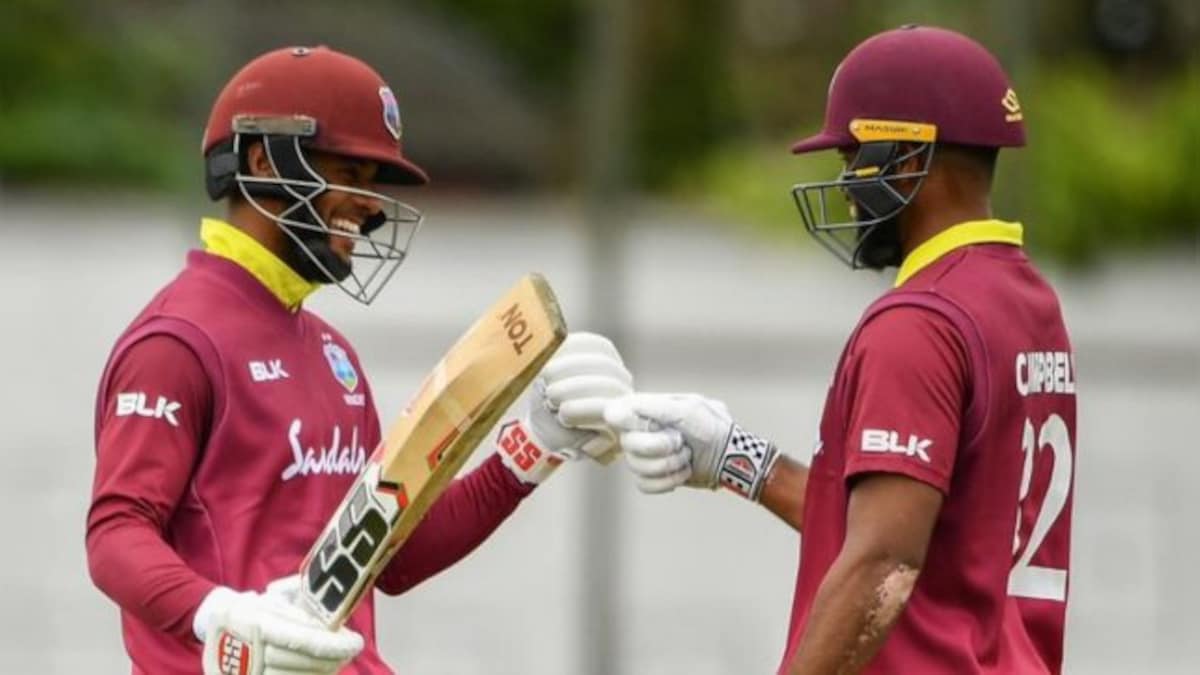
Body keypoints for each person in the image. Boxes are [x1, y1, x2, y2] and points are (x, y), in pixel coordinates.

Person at [86, 45, 631, 675]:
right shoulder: (176, 341)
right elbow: (116, 534)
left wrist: (534, 445)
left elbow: (390, 554)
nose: (371, 205)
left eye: (374, 184)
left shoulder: (331, 355)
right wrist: (219, 614)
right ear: (266, 160)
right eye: (352, 174)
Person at [605, 26, 1077, 674]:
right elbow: (930, 532)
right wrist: (737, 457)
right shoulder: (1027, 300)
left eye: (855, 157)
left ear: (910, 160)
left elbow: (884, 560)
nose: (847, 184)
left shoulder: (916, 322)